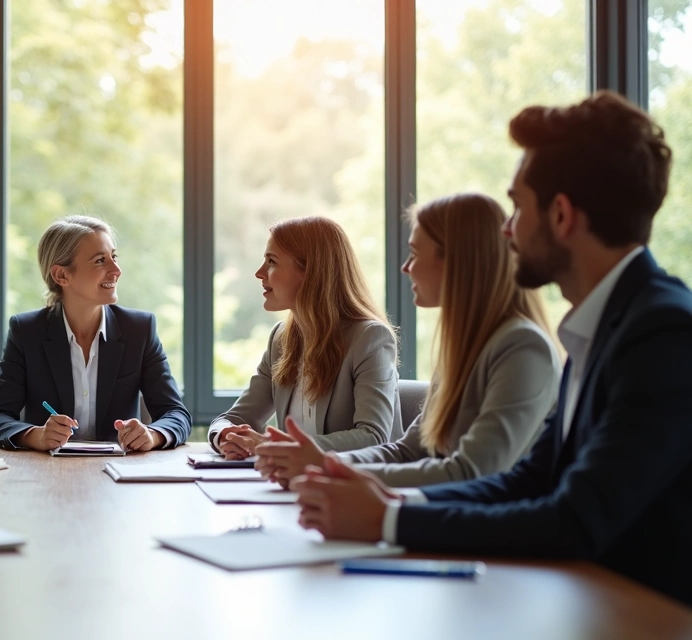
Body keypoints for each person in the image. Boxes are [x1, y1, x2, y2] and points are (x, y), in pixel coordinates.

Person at [290, 91, 692, 606]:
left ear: (562, 215)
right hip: (589, 602)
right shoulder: (602, 326)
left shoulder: (661, 332)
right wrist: (386, 502)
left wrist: (387, 519)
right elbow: (528, 480)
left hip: (643, 618)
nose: (507, 229)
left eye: (517, 206)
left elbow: (575, 519)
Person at [255, 193, 560, 487]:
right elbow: (406, 451)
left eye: (414, 253)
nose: (405, 267)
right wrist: (320, 463)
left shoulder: (522, 348)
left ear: (456, 262)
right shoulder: (465, 349)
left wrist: (326, 468)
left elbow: (470, 471)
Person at [0, 215, 190, 450]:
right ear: (62, 275)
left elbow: (176, 414)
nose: (116, 270)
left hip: (119, 469)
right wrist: (36, 436)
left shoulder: (139, 330)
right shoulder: (27, 332)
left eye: (114, 257)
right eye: (100, 261)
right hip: (49, 469)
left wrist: (152, 435)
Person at [207, 216, 402, 459]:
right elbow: (233, 418)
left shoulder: (369, 338)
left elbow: (373, 436)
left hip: (360, 480)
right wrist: (225, 436)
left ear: (310, 272)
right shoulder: (280, 339)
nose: (259, 273)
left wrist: (277, 446)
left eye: (271, 261)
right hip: (296, 479)